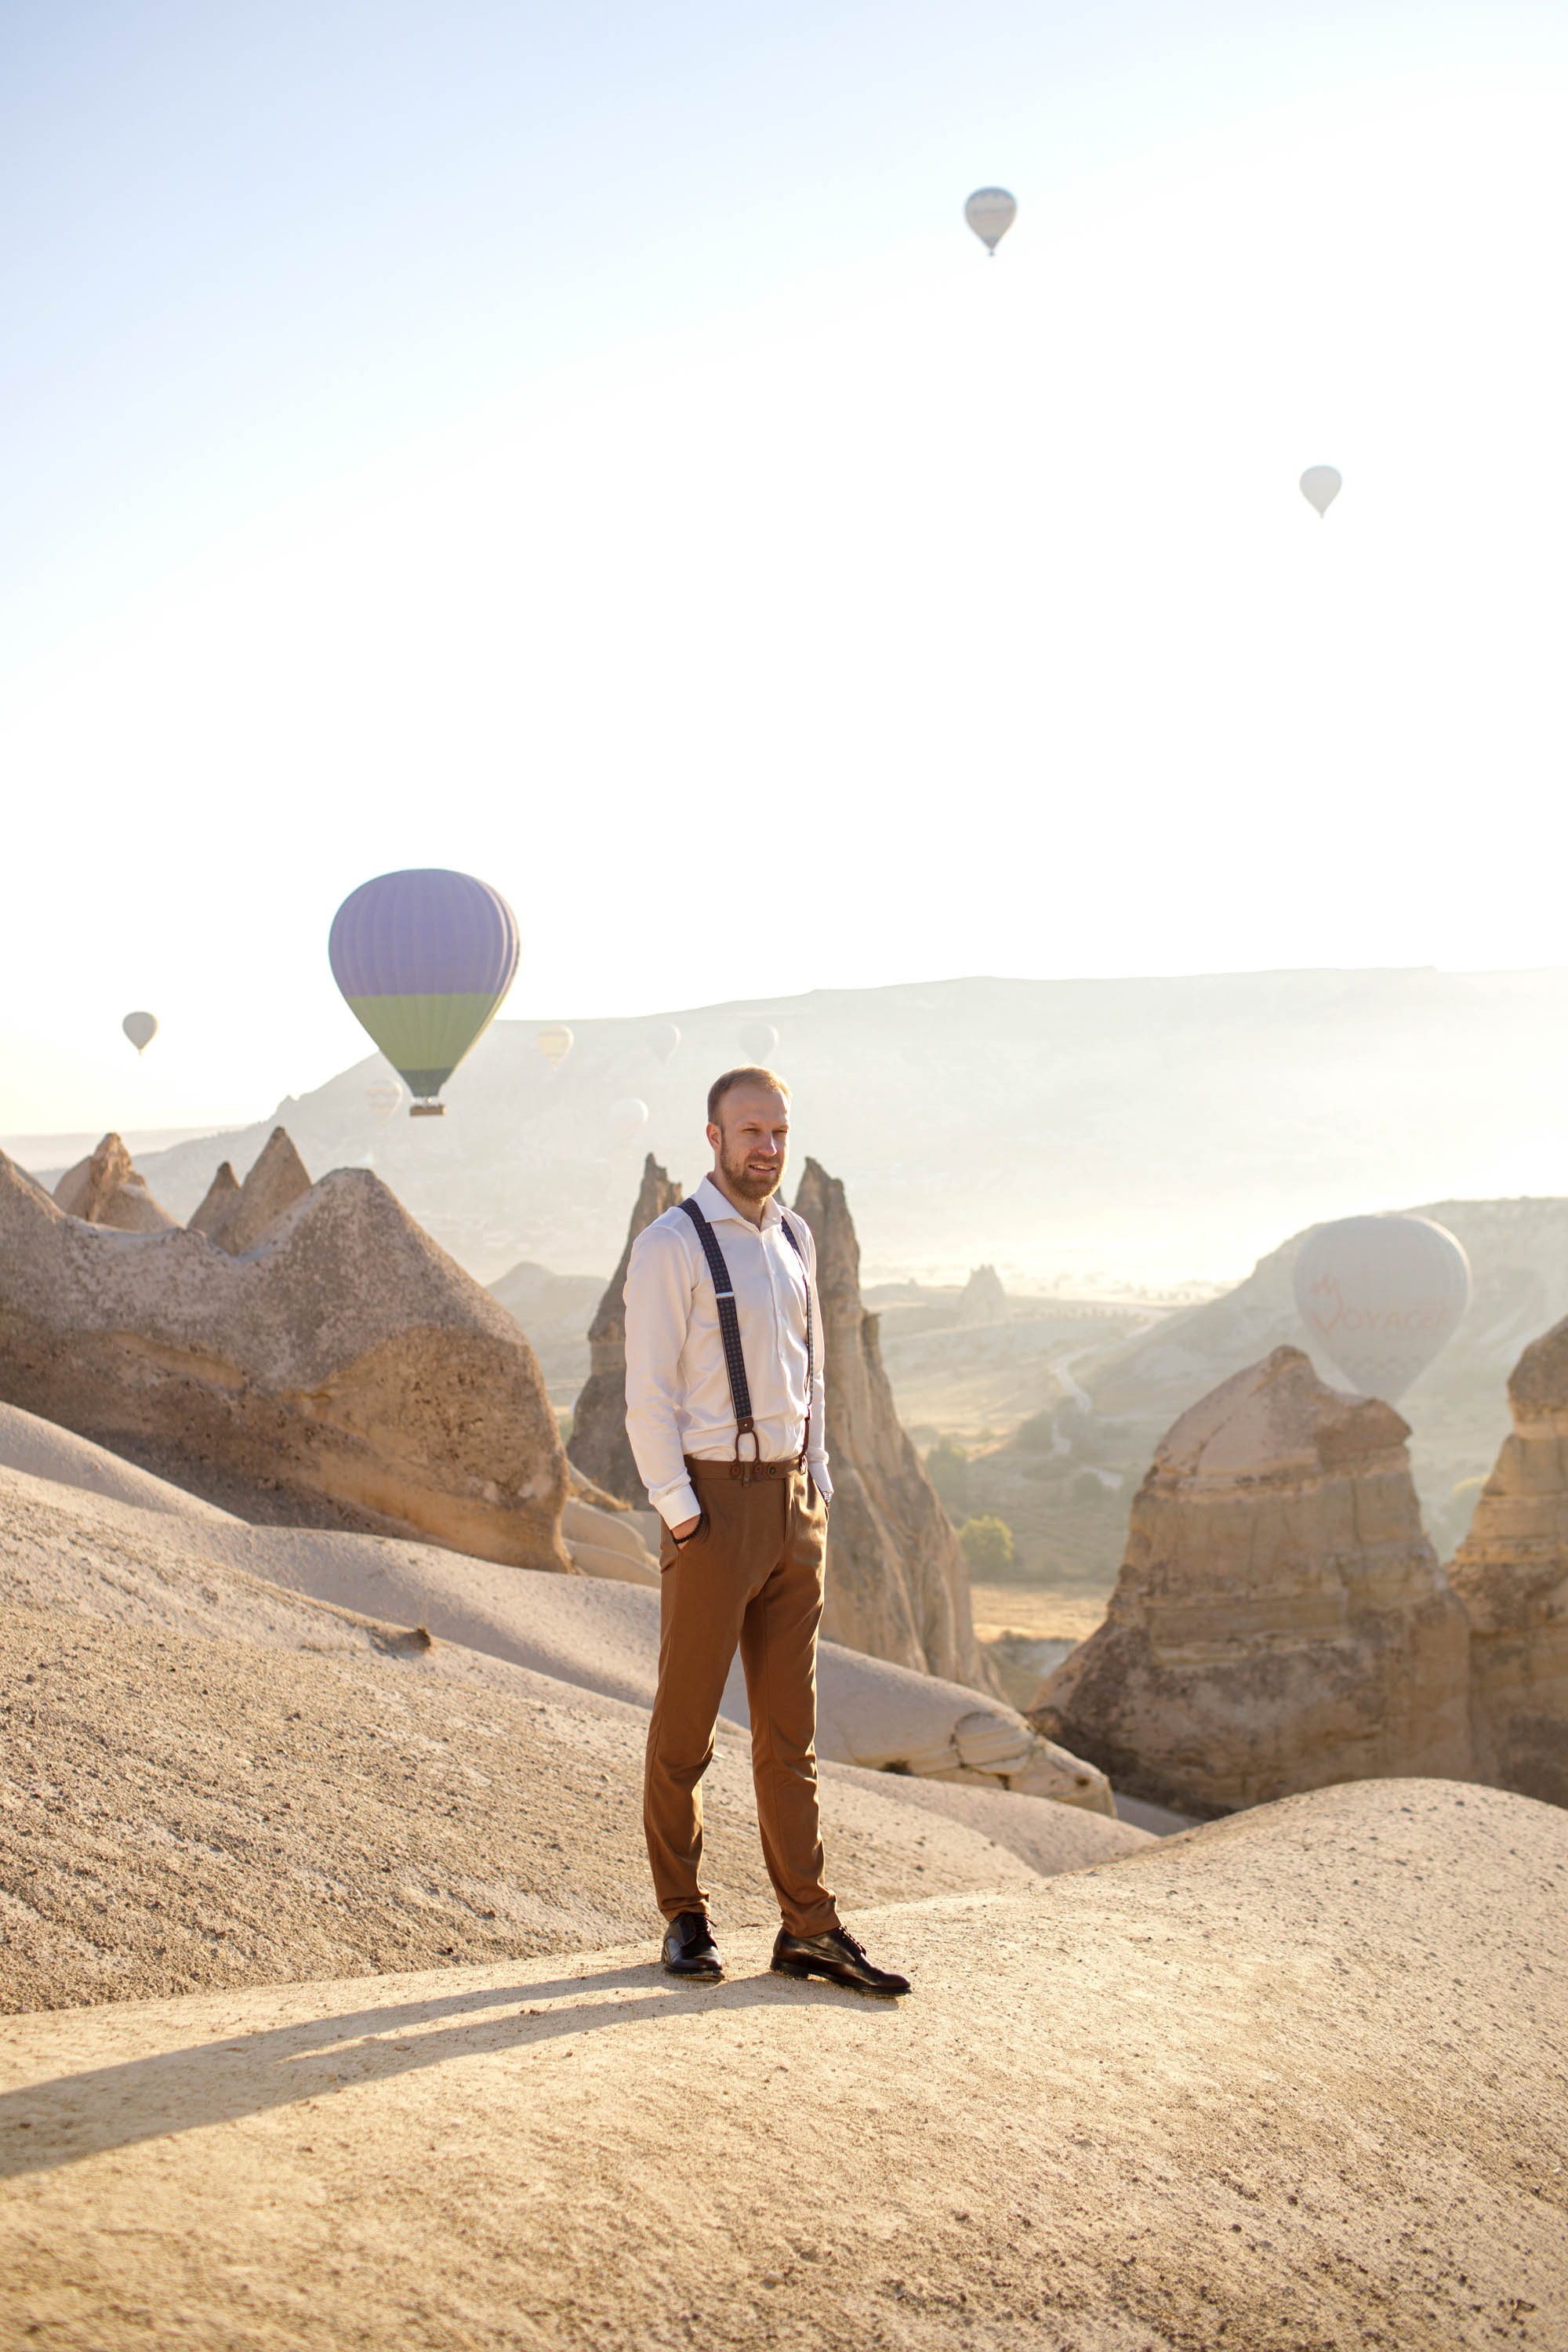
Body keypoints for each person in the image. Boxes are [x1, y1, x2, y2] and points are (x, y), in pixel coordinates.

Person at [623, 1065, 910, 1997]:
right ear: (713, 1137)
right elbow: (646, 1398)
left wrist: (816, 1478)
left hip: (792, 1506)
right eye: (749, 1131)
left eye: (779, 1132)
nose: (767, 1148)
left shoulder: (795, 1235)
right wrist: (681, 1511)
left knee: (790, 1737)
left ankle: (808, 1928)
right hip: (712, 1505)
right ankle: (684, 1916)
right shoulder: (671, 1245)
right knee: (685, 1729)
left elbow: (811, 1370)